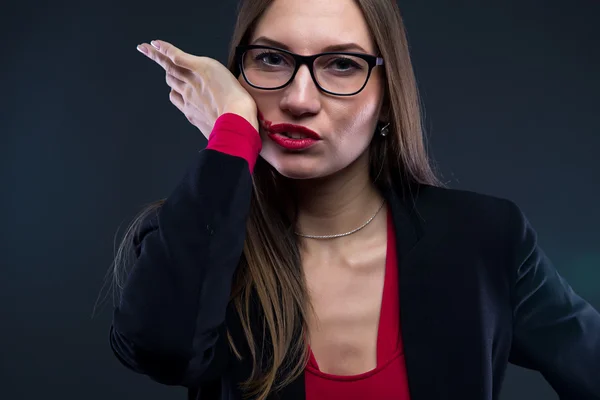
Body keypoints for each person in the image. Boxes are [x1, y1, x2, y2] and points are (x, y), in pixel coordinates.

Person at [110, 0, 600, 399]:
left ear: (386, 95)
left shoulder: (486, 238)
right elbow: (161, 350)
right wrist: (233, 130)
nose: (300, 98)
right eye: (271, 59)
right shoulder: (191, 235)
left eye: (342, 65)